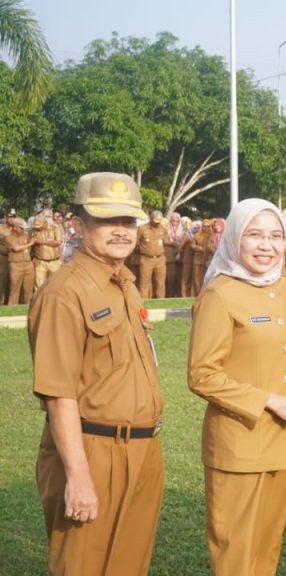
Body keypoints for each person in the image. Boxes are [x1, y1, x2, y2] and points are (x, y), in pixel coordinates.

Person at [29, 172, 164, 575]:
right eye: (107, 220)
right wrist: (79, 476)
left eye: (128, 221)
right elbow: (58, 394)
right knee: (83, 566)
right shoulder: (64, 292)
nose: (121, 230)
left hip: (142, 449)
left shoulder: (124, 284)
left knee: (129, 566)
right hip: (92, 451)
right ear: (79, 223)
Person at [188, 198, 286, 575]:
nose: (267, 245)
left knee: (266, 547)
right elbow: (202, 374)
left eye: (275, 236)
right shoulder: (220, 294)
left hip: (282, 441)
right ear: (234, 239)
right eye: (255, 235)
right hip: (238, 444)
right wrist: (270, 401)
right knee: (236, 554)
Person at [137, 210, 170, 299]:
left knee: (160, 282)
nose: (157, 223)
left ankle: (160, 301)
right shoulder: (142, 228)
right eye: (155, 221)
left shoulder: (162, 228)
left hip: (160, 259)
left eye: (159, 221)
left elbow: (166, 241)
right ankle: (144, 301)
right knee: (144, 282)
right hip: (146, 259)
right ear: (151, 219)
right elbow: (136, 242)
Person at [31, 210, 64, 289]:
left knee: (55, 285)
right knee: (39, 286)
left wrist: (42, 242)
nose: (38, 228)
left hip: (54, 262)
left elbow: (58, 242)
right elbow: (31, 242)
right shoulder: (33, 231)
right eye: (36, 227)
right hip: (39, 262)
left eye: (40, 226)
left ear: (45, 223)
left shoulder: (55, 228)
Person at [6, 217, 35, 305]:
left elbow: (30, 248)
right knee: (14, 288)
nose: (23, 230)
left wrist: (28, 247)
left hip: (28, 264)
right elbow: (16, 248)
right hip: (16, 265)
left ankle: (27, 306)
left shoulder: (26, 235)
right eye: (21, 228)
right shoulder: (9, 237)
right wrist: (30, 244)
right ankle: (12, 308)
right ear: (15, 227)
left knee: (28, 288)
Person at [165, 211, 186, 298]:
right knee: (169, 276)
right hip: (169, 256)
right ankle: (167, 294)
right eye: (173, 220)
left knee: (179, 277)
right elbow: (164, 240)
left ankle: (176, 294)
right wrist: (172, 243)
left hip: (180, 256)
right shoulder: (166, 229)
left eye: (177, 221)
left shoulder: (183, 230)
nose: (175, 222)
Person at [191, 219, 213, 296]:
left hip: (209, 260)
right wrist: (198, 248)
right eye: (204, 226)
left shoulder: (212, 235)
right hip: (199, 260)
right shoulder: (197, 235)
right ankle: (197, 295)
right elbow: (192, 245)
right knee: (197, 279)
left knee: (207, 279)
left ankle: (206, 295)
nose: (206, 228)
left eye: (208, 226)